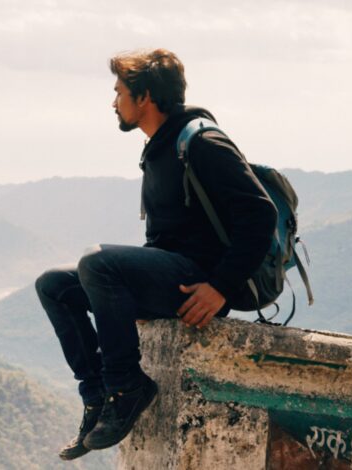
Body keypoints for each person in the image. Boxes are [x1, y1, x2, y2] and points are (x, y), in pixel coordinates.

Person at [34, 48, 277, 460]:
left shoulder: (201, 142)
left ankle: (128, 387)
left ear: (144, 97)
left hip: (201, 282)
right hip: (172, 273)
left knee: (97, 260)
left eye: (119, 93)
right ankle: (96, 399)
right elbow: (167, 238)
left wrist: (220, 286)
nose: (114, 103)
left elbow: (261, 213)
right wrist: (131, 291)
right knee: (54, 284)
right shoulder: (158, 150)